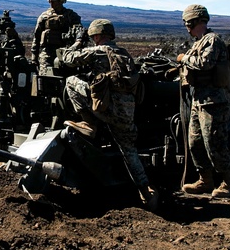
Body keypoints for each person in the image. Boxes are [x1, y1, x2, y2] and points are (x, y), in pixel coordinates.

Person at [56, 19, 159, 210]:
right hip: (126, 112)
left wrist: (78, 41)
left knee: (71, 81)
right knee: (129, 152)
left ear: (96, 36)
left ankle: (90, 124)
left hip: (105, 107)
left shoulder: (96, 51)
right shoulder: (124, 53)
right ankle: (146, 193)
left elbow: (68, 59)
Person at [176, 4, 230, 199]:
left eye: (188, 23)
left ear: (196, 21)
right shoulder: (199, 42)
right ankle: (205, 180)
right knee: (195, 143)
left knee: (214, 142)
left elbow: (205, 63)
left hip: (214, 102)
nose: (187, 28)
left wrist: (184, 58)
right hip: (199, 100)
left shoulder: (212, 41)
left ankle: (229, 182)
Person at [31, 0, 81, 74]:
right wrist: (34, 57)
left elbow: (79, 34)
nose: (51, 1)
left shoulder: (71, 16)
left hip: (67, 54)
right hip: (47, 55)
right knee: (46, 80)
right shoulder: (44, 16)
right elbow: (37, 37)